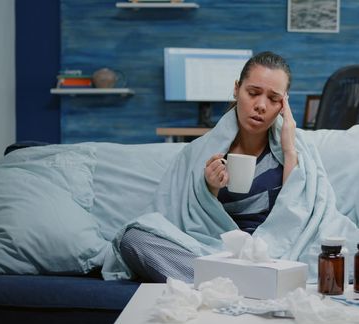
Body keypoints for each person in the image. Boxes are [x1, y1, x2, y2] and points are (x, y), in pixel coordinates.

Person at [119, 51, 297, 282]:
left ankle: (232, 282)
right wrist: (209, 189)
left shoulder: (293, 146)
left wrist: (290, 149)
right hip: (213, 251)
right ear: (236, 89)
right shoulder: (200, 150)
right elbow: (181, 219)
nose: (261, 105)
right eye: (253, 93)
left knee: (343, 251)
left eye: (274, 99)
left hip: (274, 255)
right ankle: (243, 283)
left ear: (284, 103)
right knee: (133, 239)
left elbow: (298, 214)